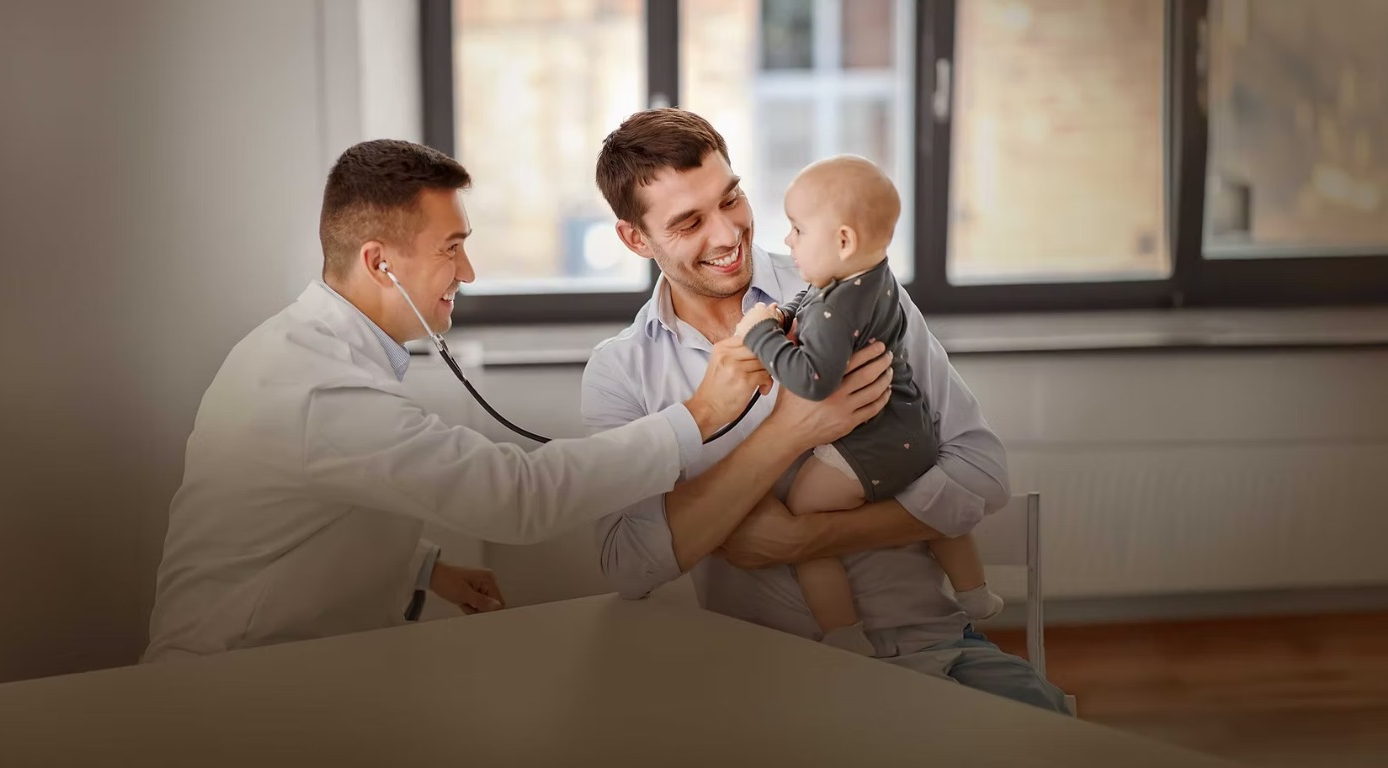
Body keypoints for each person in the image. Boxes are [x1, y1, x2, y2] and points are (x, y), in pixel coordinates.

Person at [140, 139, 888, 662]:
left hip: (298, 670)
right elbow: (518, 497)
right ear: (379, 262)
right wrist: (697, 417)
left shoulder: (323, 356)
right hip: (229, 682)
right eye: (451, 246)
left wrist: (426, 567)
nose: (468, 269)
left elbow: (307, 508)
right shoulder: (313, 389)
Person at [583, 108, 1069, 712]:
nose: (728, 234)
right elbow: (629, 567)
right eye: (688, 222)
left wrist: (803, 538)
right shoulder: (621, 373)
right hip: (764, 681)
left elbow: (982, 472)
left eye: (730, 199)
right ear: (635, 238)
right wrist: (790, 432)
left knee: (1060, 737)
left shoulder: (852, 285)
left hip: (933, 654)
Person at [730, 154, 1002, 657]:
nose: (787, 241)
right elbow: (810, 301)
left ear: (842, 241)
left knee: (804, 518)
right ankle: (976, 594)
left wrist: (762, 335)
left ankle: (841, 629)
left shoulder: (836, 309)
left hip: (866, 448)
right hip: (914, 432)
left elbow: (812, 379)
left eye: (796, 229)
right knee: (934, 502)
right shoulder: (870, 280)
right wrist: (786, 312)